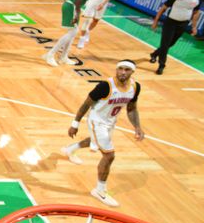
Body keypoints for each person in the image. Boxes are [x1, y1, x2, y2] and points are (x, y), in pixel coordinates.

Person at [62, 61, 144, 207]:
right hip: (96, 121)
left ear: (132, 72)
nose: (123, 72)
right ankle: (100, 190)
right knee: (109, 155)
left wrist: (137, 127)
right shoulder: (105, 86)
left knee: (95, 141)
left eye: (127, 69)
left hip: (110, 121)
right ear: (116, 69)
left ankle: (70, 149)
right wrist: (75, 123)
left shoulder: (135, 87)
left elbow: (131, 108)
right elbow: (86, 103)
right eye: (120, 68)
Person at [43, 0, 99, 66]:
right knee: (73, 31)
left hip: (73, 5)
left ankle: (64, 57)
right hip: (72, 6)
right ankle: (50, 54)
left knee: (72, 33)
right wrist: (77, 12)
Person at [149, 0, 201, 75]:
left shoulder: (197, 0)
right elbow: (163, 9)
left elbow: (196, 13)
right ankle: (161, 65)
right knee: (165, 44)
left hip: (183, 24)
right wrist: (155, 21)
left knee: (170, 44)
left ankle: (155, 53)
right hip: (170, 23)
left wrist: (194, 27)